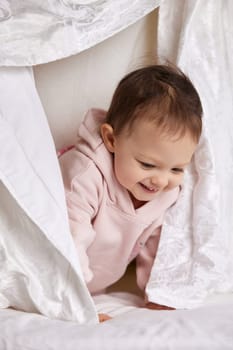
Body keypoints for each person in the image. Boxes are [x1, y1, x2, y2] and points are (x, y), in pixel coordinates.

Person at [59, 64, 203, 321]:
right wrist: (77, 303)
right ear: (112, 140)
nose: (160, 180)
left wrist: (157, 291)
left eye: (177, 168)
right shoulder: (85, 174)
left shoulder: (168, 191)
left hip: (96, 287)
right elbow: (70, 238)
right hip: (59, 280)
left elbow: (157, 243)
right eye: (147, 164)